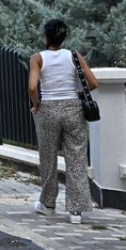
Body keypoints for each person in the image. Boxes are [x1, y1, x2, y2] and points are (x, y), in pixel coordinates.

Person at [27, 19, 99, 224]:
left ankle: (48, 205)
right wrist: (73, 94)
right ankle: (76, 211)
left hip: (48, 109)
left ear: (45, 36)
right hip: (73, 108)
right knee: (76, 157)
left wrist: (36, 103)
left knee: (48, 157)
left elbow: (32, 87)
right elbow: (93, 83)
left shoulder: (37, 58)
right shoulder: (74, 56)